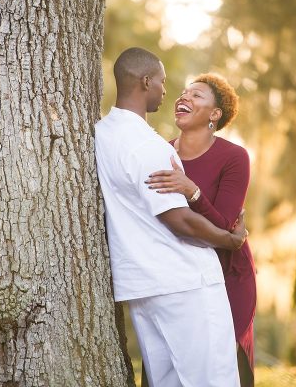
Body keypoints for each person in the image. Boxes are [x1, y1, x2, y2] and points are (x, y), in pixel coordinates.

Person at [95, 48, 246, 387]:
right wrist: (230, 240)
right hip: (186, 283)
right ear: (146, 82)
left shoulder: (101, 134)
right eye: (163, 83)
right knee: (214, 381)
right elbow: (179, 220)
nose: (166, 91)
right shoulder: (148, 146)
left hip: (141, 285)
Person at [145, 73, 256, 386]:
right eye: (183, 93)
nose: (184, 98)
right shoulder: (159, 152)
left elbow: (224, 227)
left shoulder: (234, 157)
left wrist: (191, 190)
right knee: (169, 363)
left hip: (227, 274)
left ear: (215, 114)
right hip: (174, 275)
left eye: (196, 95)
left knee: (221, 367)